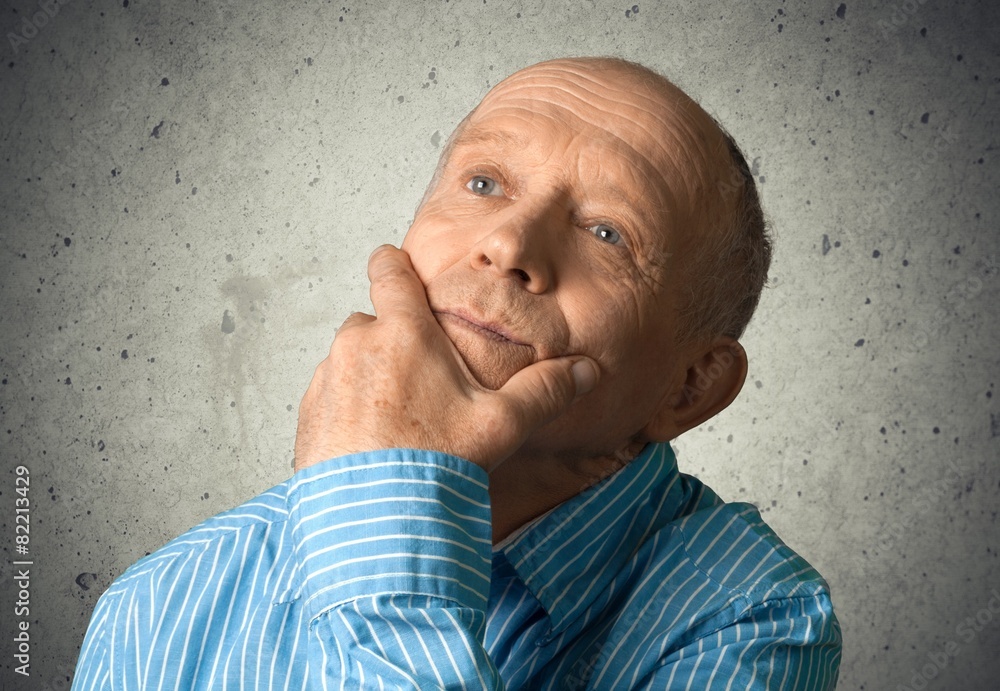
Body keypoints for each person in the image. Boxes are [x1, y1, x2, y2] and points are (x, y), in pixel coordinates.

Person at [71, 57, 841, 689]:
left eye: (608, 232)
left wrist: (385, 509)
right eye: (483, 184)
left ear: (691, 386)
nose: (508, 243)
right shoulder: (163, 602)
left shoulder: (751, 614)